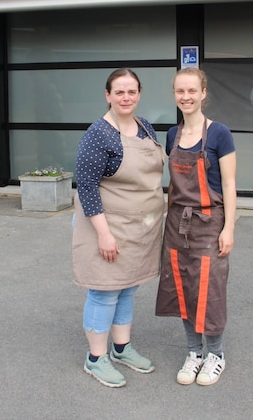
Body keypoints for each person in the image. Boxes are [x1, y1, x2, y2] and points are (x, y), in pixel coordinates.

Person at [72, 68, 166, 388]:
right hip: (107, 225)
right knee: (104, 291)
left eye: (132, 91)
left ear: (139, 94)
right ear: (108, 95)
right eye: (119, 92)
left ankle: (122, 348)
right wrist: (104, 234)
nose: (126, 97)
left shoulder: (145, 126)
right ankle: (96, 358)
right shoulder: (99, 134)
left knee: (128, 287)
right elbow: (86, 187)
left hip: (139, 228)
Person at [156, 67, 236, 386]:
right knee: (184, 287)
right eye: (180, 91)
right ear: (174, 95)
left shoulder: (219, 134)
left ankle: (215, 355)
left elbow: (229, 185)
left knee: (210, 290)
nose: (186, 97)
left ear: (203, 93)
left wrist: (228, 228)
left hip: (209, 222)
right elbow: (172, 185)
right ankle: (194, 352)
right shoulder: (172, 135)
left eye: (192, 91)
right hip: (177, 224)